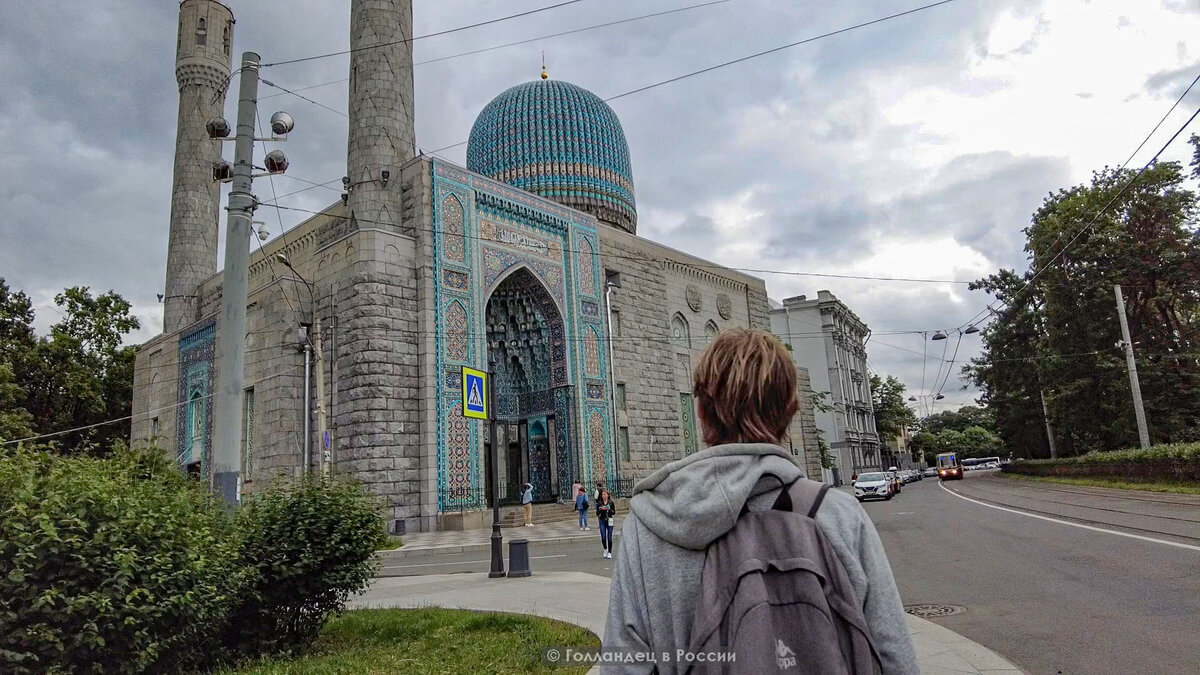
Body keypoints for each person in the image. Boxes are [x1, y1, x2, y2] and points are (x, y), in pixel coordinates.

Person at [604, 328, 918, 673]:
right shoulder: (838, 515)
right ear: (791, 410)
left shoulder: (651, 524)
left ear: (701, 412)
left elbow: (625, 664)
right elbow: (894, 655)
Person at [596, 488, 616, 559]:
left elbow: (614, 512)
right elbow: (597, 513)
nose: (603, 496)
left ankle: (609, 552)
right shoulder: (600, 503)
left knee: (609, 537)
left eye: (605, 494)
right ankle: (605, 549)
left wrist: (609, 509)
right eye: (602, 494)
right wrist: (601, 509)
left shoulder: (611, 502)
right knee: (603, 537)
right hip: (602, 520)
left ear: (608, 495)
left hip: (609, 520)